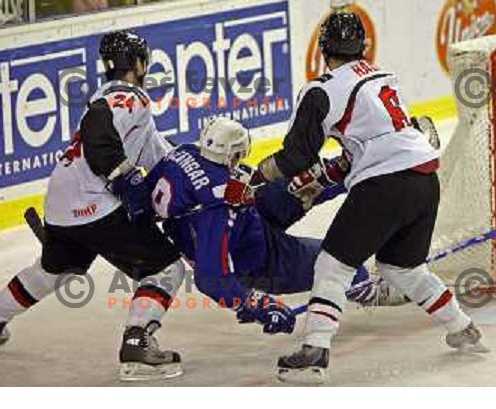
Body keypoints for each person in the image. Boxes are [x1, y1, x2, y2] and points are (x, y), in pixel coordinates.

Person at [248, 11, 487, 384]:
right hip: (424, 180)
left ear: (323, 49)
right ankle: (462, 326)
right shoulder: (380, 77)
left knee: (331, 265)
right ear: (362, 47)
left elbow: (295, 157)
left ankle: (314, 352)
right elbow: (363, 146)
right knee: (402, 268)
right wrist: (325, 173)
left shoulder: (320, 90)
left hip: (385, 185)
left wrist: (257, 175)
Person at [0, 30, 186, 382]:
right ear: (139, 63)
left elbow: (157, 152)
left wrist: (196, 165)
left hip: (60, 203)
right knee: (165, 268)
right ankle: (137, 344)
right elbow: (99, 127)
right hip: (95, 203)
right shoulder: (128, 96)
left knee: (55, 270)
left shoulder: (122, 102)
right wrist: (120, 176)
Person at [148, 118, 403, 335]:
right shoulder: (214, 211)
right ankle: (368, 290)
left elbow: (140, 196)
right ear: (231, 155)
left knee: (306, 183)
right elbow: (210, 278)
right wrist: (254, 303)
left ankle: (359, 167)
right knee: (338, 264)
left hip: (249, 219)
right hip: (261, 259)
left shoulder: (184, 154)